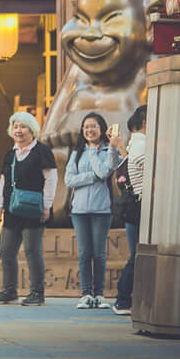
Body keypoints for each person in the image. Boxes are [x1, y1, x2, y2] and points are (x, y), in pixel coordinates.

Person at [0, 111, 57, 306]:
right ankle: (9, 291)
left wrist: (47, 206)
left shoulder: (42, 151)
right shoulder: (11, 154)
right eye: (15, 127)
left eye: (23, 126)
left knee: (31, 250)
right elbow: (4, 179)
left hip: (34, 209)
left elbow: (51, 180)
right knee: (7, 250)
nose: (18, 130)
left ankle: (37, 292)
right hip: (12, 208)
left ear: (32, 129)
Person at [65, 112, 121, 309]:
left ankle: (99, 294)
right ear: (82, 130)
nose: (89, 130)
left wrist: (93, 155)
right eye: (86, 127)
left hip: (101, 209)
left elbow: (106, 171)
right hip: (79, 210)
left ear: (102, 129)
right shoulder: (76, 153)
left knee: (98, 254)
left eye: (94, 126)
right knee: (83, 253)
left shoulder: (109, 150)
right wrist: (93, 177)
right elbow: (69, 180)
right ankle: (86, 294)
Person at [112, 105, 146, 316]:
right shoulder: (142, 145)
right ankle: (122, 299)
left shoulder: (136, 144)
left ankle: (126, 299)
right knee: (137, 255)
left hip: (134, 206)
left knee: (137, 254)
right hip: (137, 206)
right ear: (144, 123)